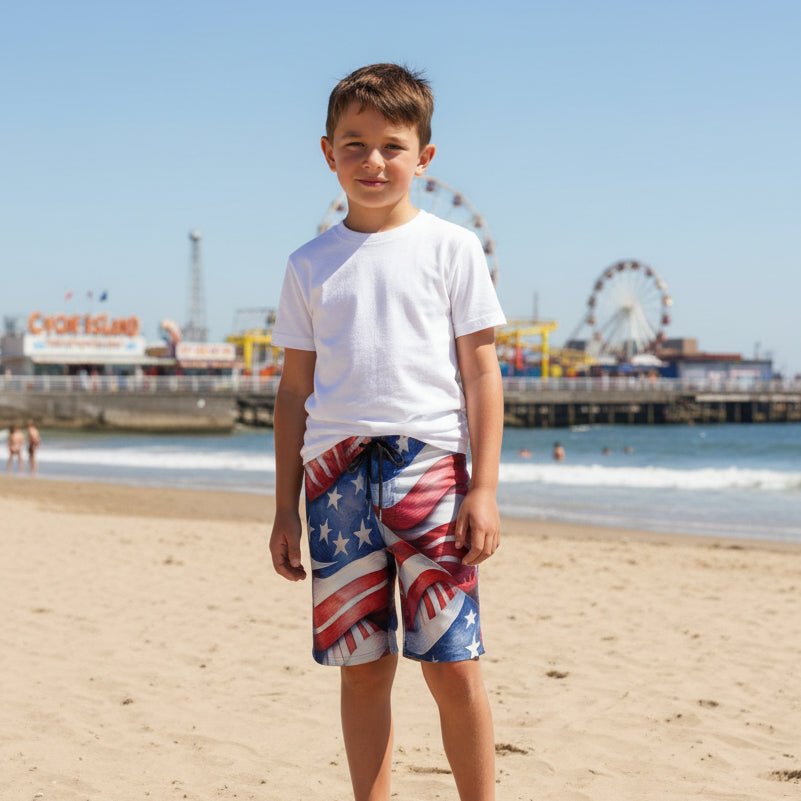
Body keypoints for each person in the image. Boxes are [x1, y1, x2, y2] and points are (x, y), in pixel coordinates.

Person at [269, 63, 506, 801]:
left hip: (429, 467)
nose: (373, 162)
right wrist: (283, 507)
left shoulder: (452, 248)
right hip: (332, 478)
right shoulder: (308, 266)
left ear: (423, 158)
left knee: (452, 661)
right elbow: (293, 391)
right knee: (362, 664)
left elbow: (481, 375)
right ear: (327, 153)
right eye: (354, 145)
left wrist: (485, 488)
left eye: (391, 146)